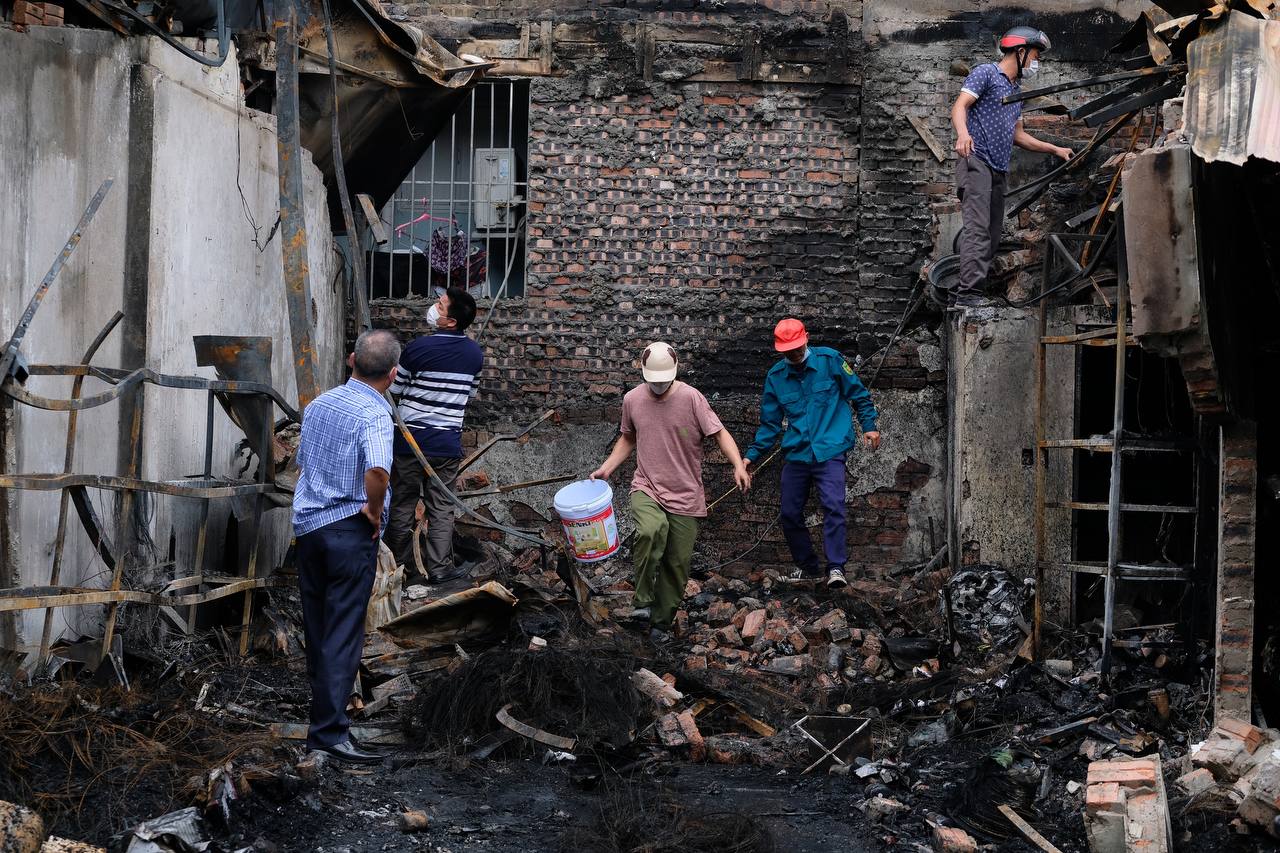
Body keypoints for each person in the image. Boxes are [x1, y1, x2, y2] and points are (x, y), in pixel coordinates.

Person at [291, 329, 401, 764]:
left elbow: (304, 464)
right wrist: (374, 512)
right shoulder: (375, 415)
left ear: (352, 360)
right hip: (347, 530)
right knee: (342, 633)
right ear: (392, 375)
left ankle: (323, 720)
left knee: (318, 628)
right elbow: (377, 470)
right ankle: (330, 733)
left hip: (310, 527)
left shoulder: (319, 404)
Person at [591, 342, 751, 636]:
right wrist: (607, 467)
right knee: (651, 530)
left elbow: (719, 433)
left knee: (677, 564)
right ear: (643, 373)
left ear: (675, 373)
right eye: (653, 381)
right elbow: (628, 438)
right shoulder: (632, 400)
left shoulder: (692, 399)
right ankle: (642, 600)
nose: (659, 386)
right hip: (647, 486)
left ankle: (660, 626)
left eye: (664, 380)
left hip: (686, 493)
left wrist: (738, 465)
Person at [744, 319, 880, 590]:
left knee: (834, 507)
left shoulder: (831, 361)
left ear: (806, 338)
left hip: (830, 449)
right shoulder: (776, 377)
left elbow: (859, 395)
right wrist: (750, 457)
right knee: (789, 512)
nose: (792, 355)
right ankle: (807, 567)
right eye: (786, 351)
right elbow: (770, 425)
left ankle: (836, 568)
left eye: (796, 348)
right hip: (797, 453)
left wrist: (870, 426)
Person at [949, 26, 1073, 308]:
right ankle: (968, 297)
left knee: (992, 235)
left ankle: (964, 293)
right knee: (978, 231)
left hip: (998, 169)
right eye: (1035, 55)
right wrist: (962, 134)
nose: (1035, 62)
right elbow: (960, 106)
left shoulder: (1015, 91)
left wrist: (1055, 148)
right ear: (1020, 52)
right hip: (976, 160)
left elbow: (1018, 135)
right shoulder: (986, 73)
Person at [383, 288, 484, 584]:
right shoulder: (475, 354)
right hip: (446, 445)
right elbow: (471, 394)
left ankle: (397, 570)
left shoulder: (417, 349)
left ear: (450, 321)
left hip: (410, 442)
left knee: (402, 503)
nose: (433, 307)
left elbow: (395, 392)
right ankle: (439, 569)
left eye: (440, 305)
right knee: (441, 508)